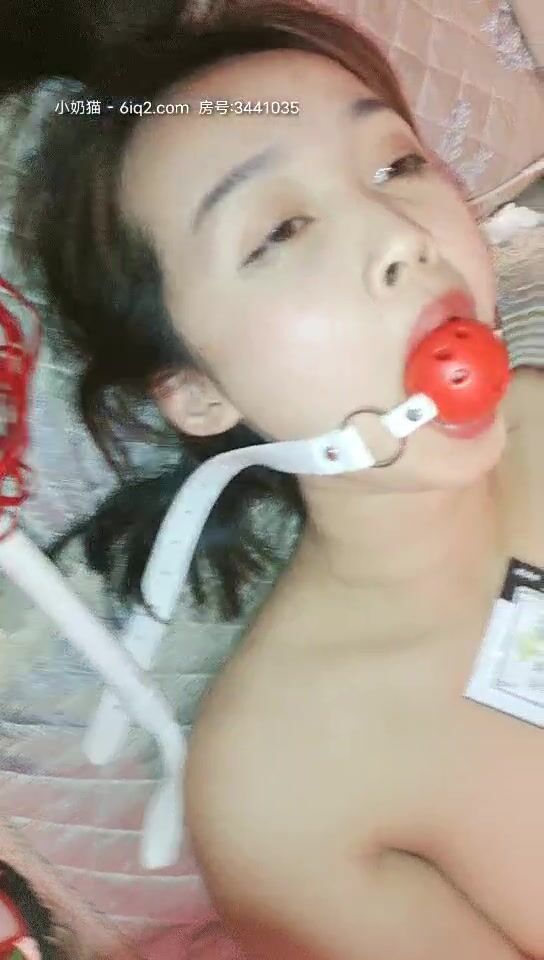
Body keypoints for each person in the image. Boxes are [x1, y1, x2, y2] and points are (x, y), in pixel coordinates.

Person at [10, 0, 543, 957]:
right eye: (282, 230)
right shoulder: (285, 799)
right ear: (196, 391)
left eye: (397, 165)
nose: (402, 235)